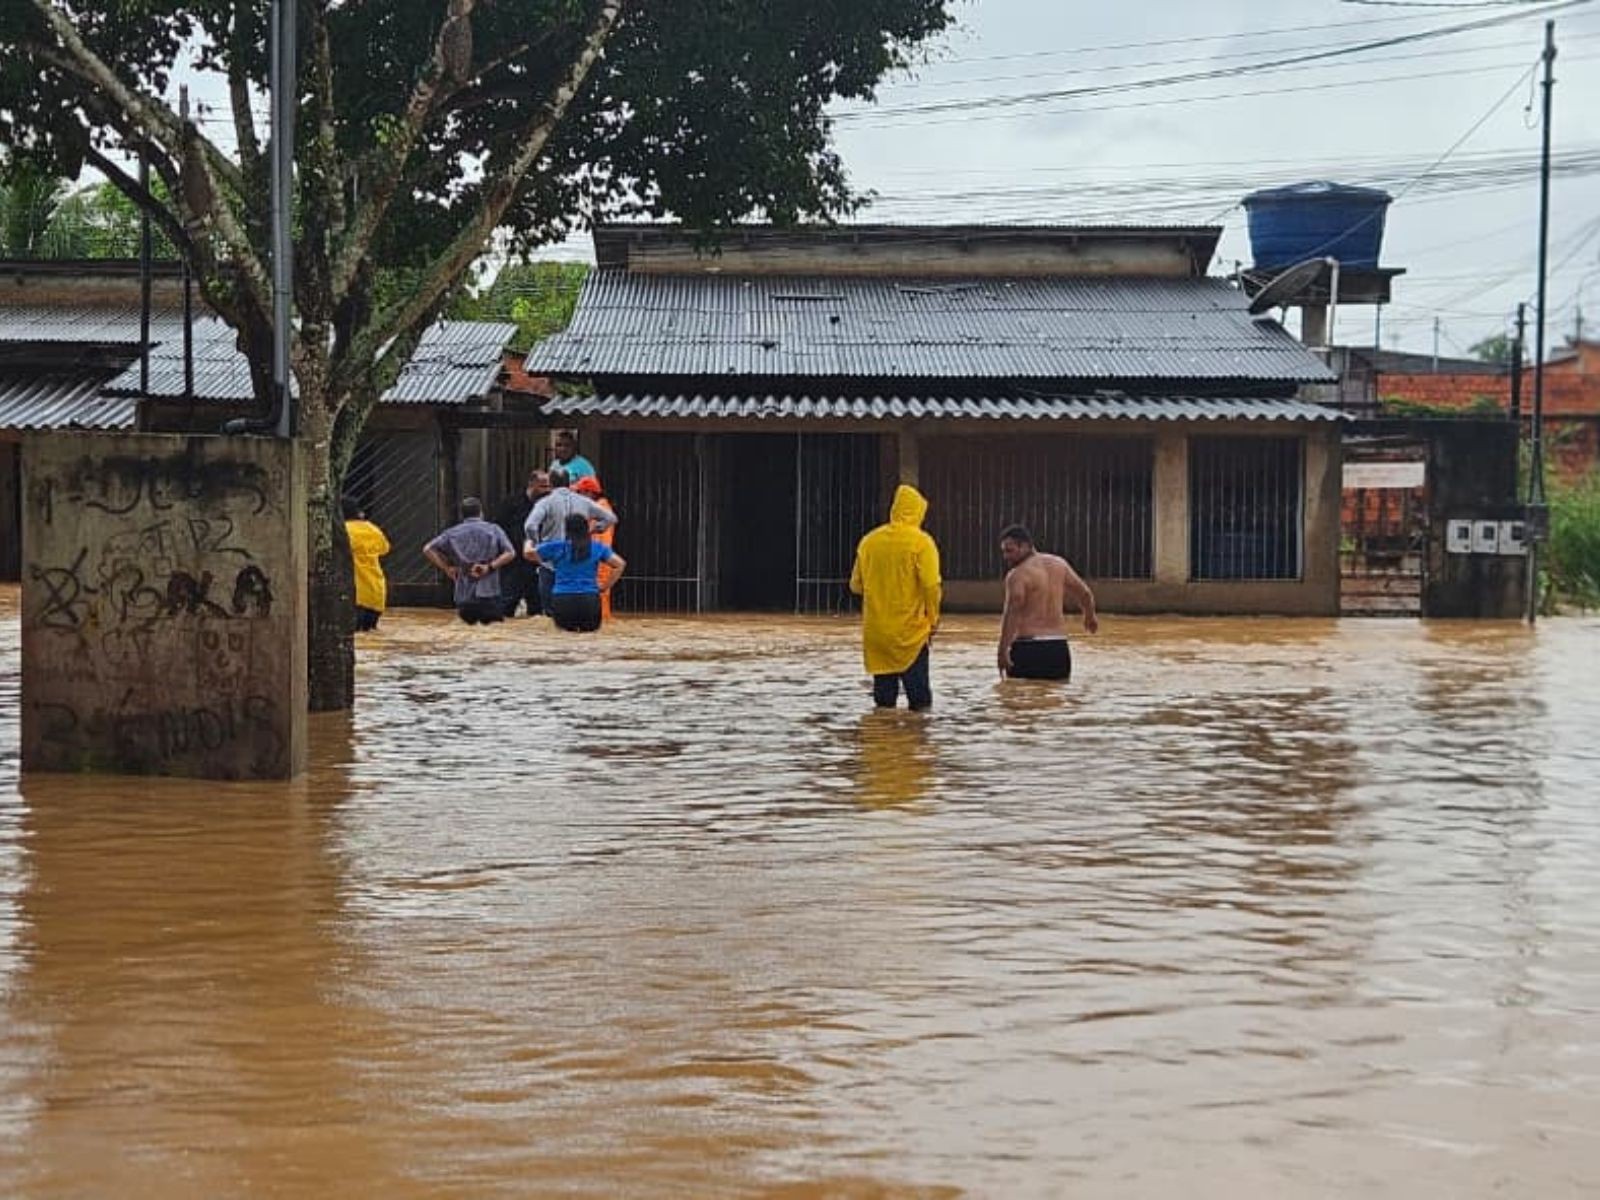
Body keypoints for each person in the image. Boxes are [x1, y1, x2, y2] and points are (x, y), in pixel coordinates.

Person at [849, 484, 942, 711]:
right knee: (920, 705)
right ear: (918, 512)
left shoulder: (869, 541)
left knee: (883, 705)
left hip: (877, 635)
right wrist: (933, 619)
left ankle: (882, 742)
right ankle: (912, 744)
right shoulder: (922, 543)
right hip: (910, 634)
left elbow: (855, 586)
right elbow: (931, 586)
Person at [996, 524, 1099, 681]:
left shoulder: (1017, 575)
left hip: (1027, 648)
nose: (1006, 557)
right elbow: (1084, 593)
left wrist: (1002, 650)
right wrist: (1089, 616)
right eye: (1003, 551)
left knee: (1017, 701)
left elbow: (1013, 611)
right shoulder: (1059, 565)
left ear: (1025, 546)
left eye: (1010, 551)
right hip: (1058, 649)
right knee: (1055, 701)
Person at [524, 466, 616, 619]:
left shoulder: (545, 503)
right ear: (568, 482)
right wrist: (596, 530)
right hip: (577, 561)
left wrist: (536, 543)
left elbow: (530, 526)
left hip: (550, 563)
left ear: (551, 483)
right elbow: (611, 518)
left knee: (551, 616)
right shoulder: (585, 502)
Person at [423, 497, 518, 625]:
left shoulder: (452, 533)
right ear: (481, 513)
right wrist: (489, 567)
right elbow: (510, 553)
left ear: (462, 515)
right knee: (492, 632)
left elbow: (428, 549)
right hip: (489, 590)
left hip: (464, 592)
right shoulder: (494, 530)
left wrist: (447, 568)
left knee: (466, 630)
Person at [531, 512, 627, 633]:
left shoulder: (556, 547)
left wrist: (528, 542)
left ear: (566, 529)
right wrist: (604, 586)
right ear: (586, 529)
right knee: (588, 639)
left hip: (562, 599)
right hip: (589, 598)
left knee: (565, 639)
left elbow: (530, 554)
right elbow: (620, 564)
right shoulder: (597, 547)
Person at [495, 469, 551, 617]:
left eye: (549, 486)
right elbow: (498, 529)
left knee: (537, 610)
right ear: (532, 484)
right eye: (543, 486)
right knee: (506, 606)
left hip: (536, 563)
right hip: (514, 564)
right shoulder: (511, 503)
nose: (547, 490)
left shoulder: (547, 506)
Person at [572, 475, 618, 622]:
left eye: (579, 493)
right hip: (599, 560)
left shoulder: (599, 509)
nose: (577, 497)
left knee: (599, 596)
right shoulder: (600, 508)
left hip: (599, 563)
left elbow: (596, 539)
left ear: (589, 493)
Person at [342, 495, 390, 632]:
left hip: (355, 594)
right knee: (370, 634)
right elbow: (384, 549)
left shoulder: (343, 531)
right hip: (376, 593)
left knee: (356, 637)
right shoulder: (373, 529)